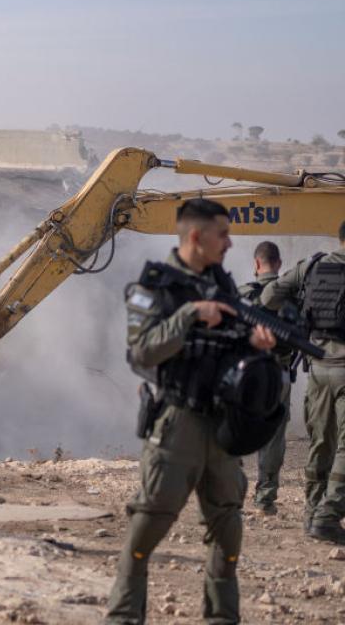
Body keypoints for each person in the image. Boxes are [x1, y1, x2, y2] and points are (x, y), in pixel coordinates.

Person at [106, 199, 276, 624]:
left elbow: (230, 347)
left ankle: (222, 616)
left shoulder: (224, 285)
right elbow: (141, 352)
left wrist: (254, 346)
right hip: (177, 422)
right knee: (147, 527)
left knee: (228, 528)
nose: (230, 243)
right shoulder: (155, 286)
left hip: (220, 426)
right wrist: (188, 315)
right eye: (223, 234)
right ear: (197, 237)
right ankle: (124, 615)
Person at [262, 219, 345, 544]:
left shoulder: (312, 266)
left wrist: (298, 312)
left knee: (320, 442)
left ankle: (312, 514)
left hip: (317, 367)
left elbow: (269, 296)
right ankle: (328, 514)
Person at [238, 241, 291, 515]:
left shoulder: (242, 294)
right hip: (278, 374)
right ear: (279, 263)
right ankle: (265, 498)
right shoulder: (290, 295)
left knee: (235, 426)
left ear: (256, 264)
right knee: (274, 435)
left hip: (245, 373)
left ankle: (230, 492)